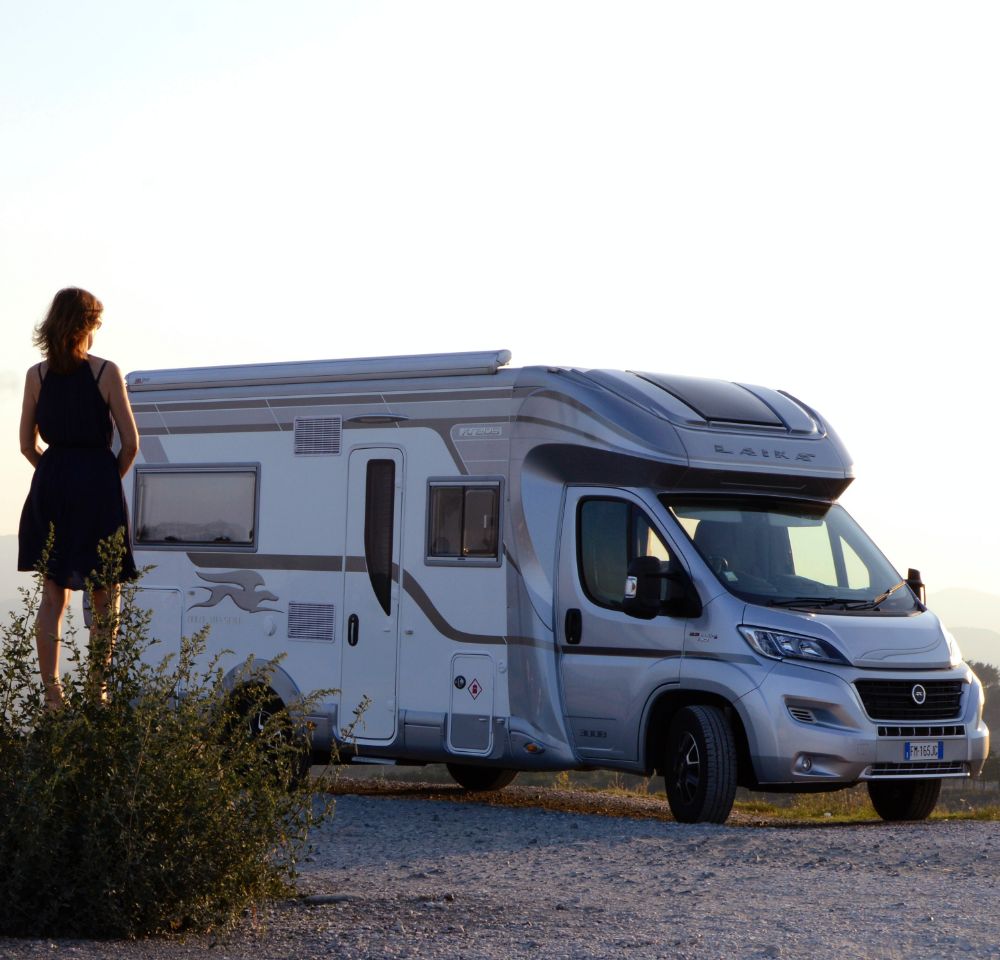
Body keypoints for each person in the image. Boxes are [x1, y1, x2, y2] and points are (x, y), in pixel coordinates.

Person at [17, 287, 140, 711]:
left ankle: (54, 696)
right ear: (86, 325)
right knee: (107, 593)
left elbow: (26, 445)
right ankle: (97, 691)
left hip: (52, 485)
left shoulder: (36, 375)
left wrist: (55, 477)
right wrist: (103, 480)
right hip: (97, 486)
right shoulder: (106, 372)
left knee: (54, 595)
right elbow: (130, 444)